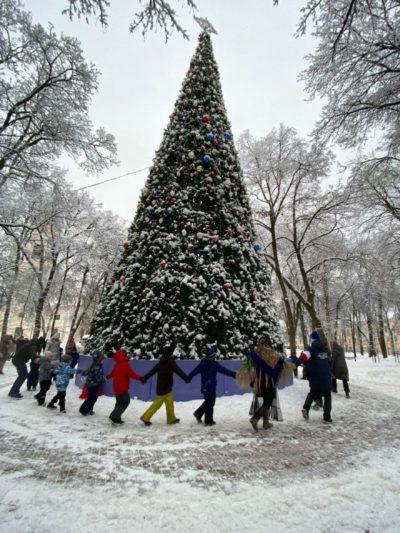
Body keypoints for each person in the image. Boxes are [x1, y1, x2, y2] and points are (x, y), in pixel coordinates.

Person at [140, 345, 189, 426]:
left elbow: (152, 371)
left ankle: (171, 419)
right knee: (156, 405)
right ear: (170, 353)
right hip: (165, 388)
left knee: (170, 403)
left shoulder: (160, 362)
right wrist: (186, 378)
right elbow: (178, 371)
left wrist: (145, 377)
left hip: (163, 387)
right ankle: (145, 417)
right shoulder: (171, 362)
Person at [188, 345, 236, 426]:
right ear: (210, 356)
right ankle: (208, 421)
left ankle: (198, 413)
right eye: (213, 356)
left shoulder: (203, 364)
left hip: (207, 387)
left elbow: (194, 371)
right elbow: (224, 371)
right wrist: (233, 374)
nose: (214, 357)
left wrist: (189, 377)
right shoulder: (213, 364)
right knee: (210, 403)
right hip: (209, 387)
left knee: (209, 402)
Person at [292, 330, 333, 423]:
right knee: (327, 396)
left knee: (312, 393)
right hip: (326, 377)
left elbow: (303, 357)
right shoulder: (325, 350)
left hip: (315, 376)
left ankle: (306, 408)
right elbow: (329, 363)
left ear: (312, 340)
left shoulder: (311, 349)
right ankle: (327, 417)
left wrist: (295, 364)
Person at [247, 336, 286, 432]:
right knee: (268, 401)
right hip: (269, 381)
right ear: (268, 343)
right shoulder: (270, 353)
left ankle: (265, 422)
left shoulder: (255, 353)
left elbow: (252, 367)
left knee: (266, 401)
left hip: (259, 382)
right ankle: (255, 418)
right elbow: (277, 364)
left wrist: (253, 380)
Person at [107, 349, 142, 425]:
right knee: (125, 402)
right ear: (122, 356)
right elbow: (132, 374)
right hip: (123, 388)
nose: (126, 356)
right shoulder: (124, 365)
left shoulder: (116, 365)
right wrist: (140, 378)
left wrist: (109, 376)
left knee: (119, 403)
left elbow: (112, 373)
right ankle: (113, 416)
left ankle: (116, 418)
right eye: (125, 354)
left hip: (116, 388)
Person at [79, 351, 106, 416]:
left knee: (93, 398)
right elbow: (97, 377)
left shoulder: (93, 364)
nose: (104, 360)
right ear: (98, 359)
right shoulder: (97, 367)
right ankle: (83, 410)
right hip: (92, 385)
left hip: (91, 385)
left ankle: (89, 409)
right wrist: (103, 379)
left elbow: (85, 373)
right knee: (91, 398)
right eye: (102, 359)